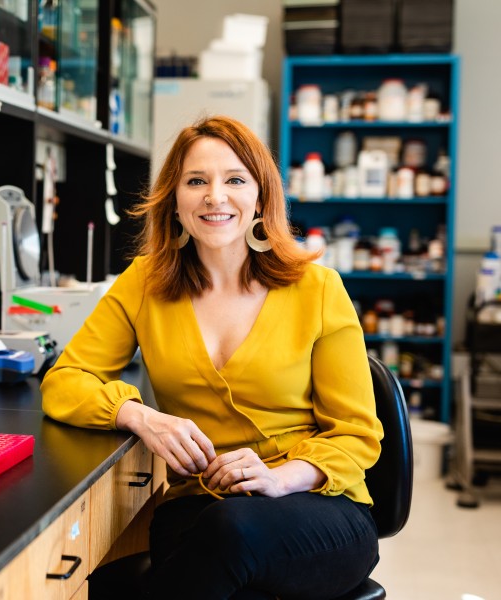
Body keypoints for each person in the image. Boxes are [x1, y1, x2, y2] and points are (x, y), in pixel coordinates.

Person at [41, 115, 384, 600]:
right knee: (226, 551)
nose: (215, 197)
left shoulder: (318, 289)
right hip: (198, 509)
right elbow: (65, 381)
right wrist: (139, 415)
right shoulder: (145, 282)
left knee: (231, 534)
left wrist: (276, 478)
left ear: (261, 199)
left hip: (316, 507)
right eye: (196, 181)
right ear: (174, 201)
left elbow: (357, 436)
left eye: (235, 180)